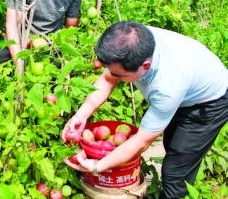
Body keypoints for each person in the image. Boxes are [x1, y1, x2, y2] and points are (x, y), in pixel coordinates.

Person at [62, 21, 228, 199]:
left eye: (120, 75)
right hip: (189, 86)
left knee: (176, 171)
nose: (114, 76)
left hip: (208, 104)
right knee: (171, 144)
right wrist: (82, 114)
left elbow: (142, 141)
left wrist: (97, 167)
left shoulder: (168, 87)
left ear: (145, 66)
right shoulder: (133, 39)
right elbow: (108, 79)